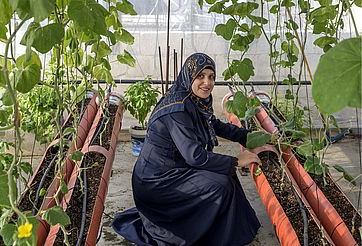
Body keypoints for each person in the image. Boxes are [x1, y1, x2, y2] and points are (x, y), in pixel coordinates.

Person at [112, 53, 261, 245]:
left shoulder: (193, 100)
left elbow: (216, 125)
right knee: (221, 184)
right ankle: (206, 234)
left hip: (174, 169)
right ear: (188, 76)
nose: (207, 82)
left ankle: (222, 231)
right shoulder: (178, 108)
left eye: (211, 77)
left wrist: (253, 137)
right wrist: (237, 160)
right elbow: (195, 157)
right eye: (200, 76)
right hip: (157, 181)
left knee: (226, 176)